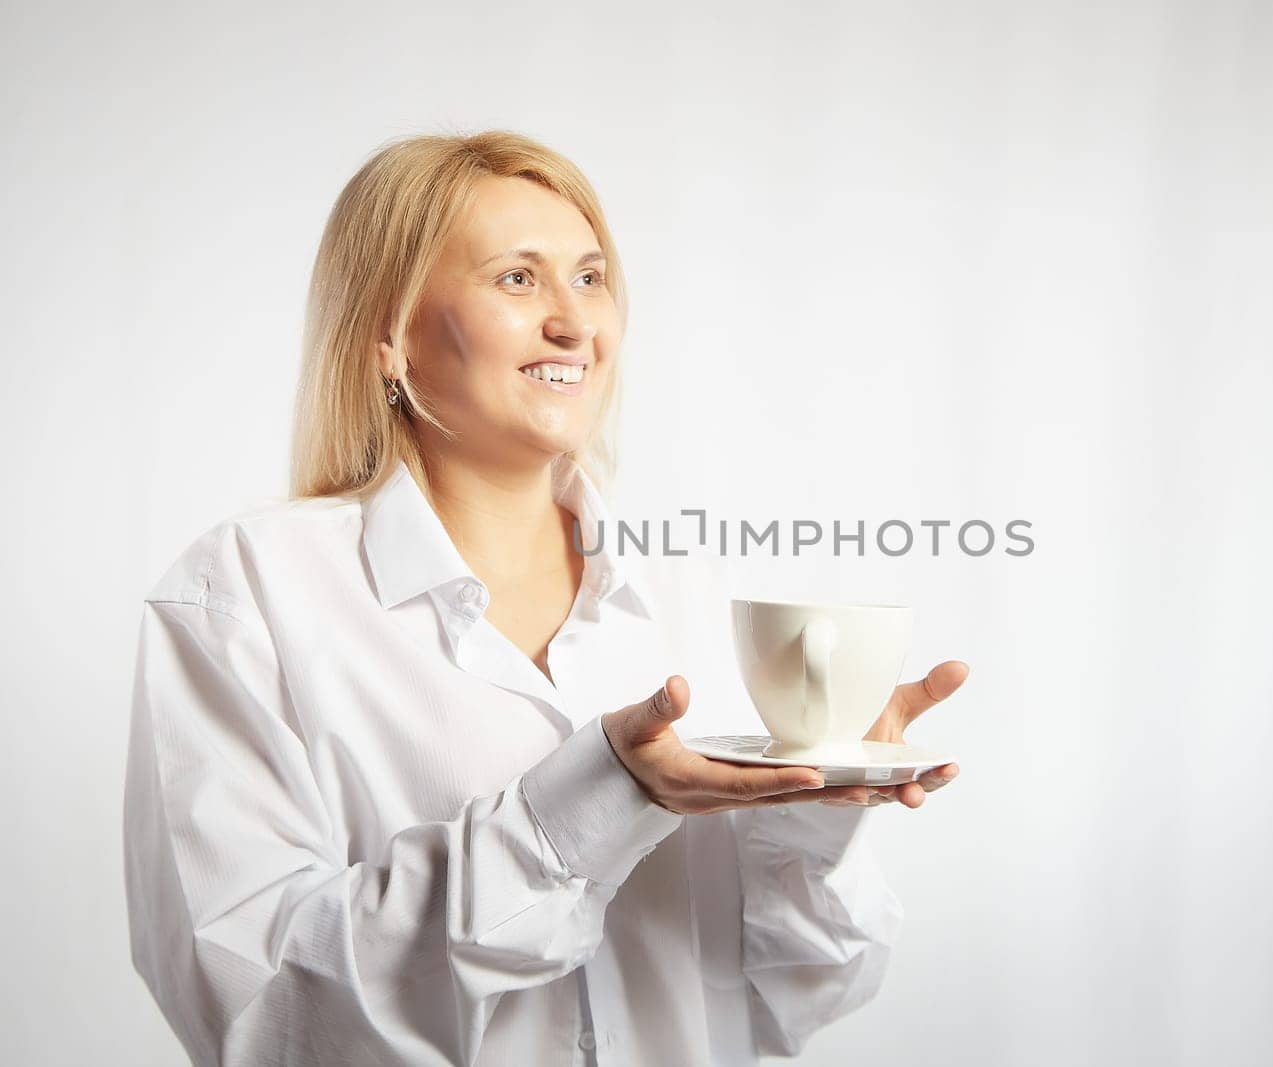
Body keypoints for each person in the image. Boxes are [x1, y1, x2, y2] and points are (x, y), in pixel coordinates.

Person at [122, 129, 966, 1066]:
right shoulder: (245, 593)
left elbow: (794, 1002)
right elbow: (261, 1016)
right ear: (389, 338)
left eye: (591, 277)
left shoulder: (689, 593)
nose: (575, 323)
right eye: (517, 279)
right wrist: (593, 800)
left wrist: (814, 796)